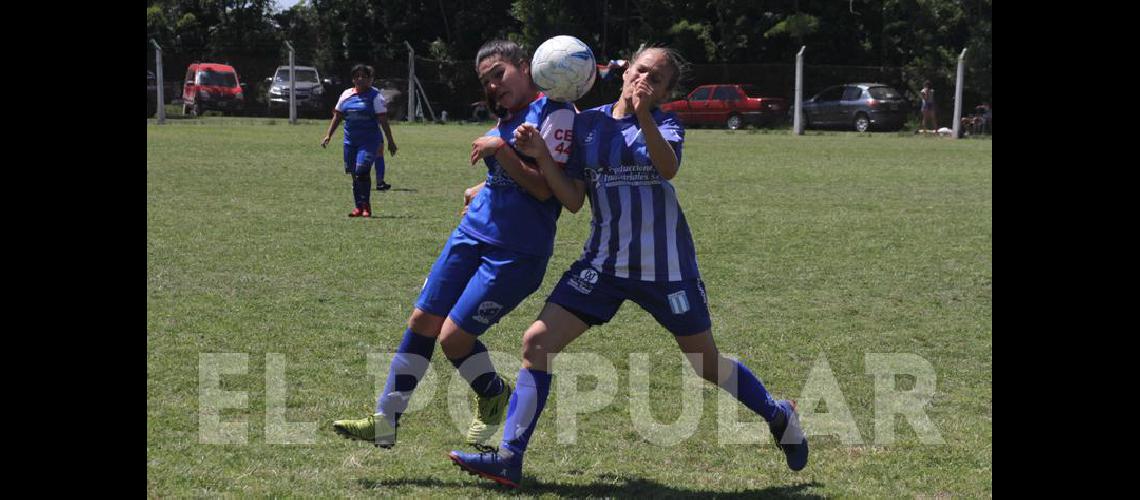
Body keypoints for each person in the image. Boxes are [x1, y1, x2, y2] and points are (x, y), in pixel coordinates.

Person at [448, 46, 809, 489]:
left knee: (705, 363)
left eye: (656, 80)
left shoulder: (666, 124)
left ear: (664, 93)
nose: (644, 82)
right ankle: (509, 458)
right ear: (623, 73)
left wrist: (642, 115)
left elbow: (667, 168)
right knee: (536, 343)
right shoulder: (586, 124)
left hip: (667, 269)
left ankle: (778, 414)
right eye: (641, 72)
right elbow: (573, 199)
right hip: (603, 265)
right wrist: (540, 155)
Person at [332, 40, 577, 453]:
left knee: (453, 340)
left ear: (525, 66)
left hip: (516, 253)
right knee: (421, 321)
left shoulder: (557, 115)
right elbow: (512, 180)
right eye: (486, 81)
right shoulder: (509, 117)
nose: (494, 85)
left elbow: (543, 191)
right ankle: (385, 419)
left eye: (499, 73)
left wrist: (500, 152)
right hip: (471, 236)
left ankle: (493, 393)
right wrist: (483, 187)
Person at [321, 64, 399, 216]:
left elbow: (383, 120)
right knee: (354, 174)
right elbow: (338, 116)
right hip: (350, 142)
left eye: (364, 76)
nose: (360, 79)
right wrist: (328, 135)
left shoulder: (375, 96)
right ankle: (358, 207)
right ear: (353, 79)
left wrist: (390, 141)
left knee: (361, 171)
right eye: (357, 76)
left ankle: (366, 206)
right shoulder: (346, 95)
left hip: (369, 141)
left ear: (370, 79)